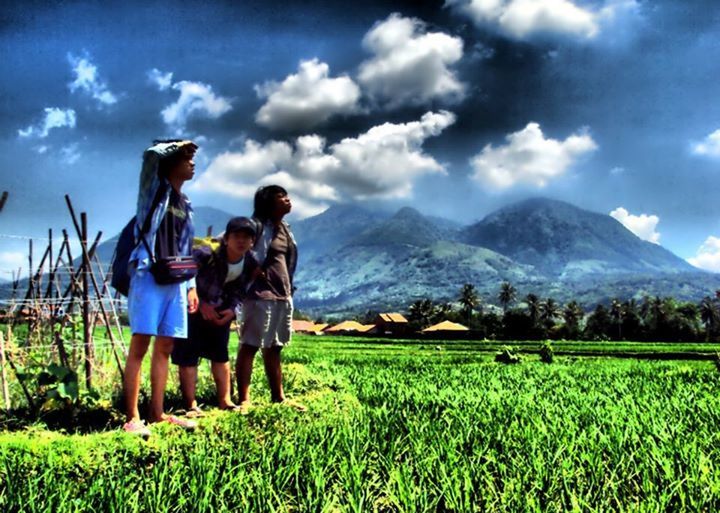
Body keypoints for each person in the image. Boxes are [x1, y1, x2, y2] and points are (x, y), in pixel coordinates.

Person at [122, 139, 200, 437]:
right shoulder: (154, 191)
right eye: (186, 158)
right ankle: (132, 417)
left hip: (176, 280)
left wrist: (191, 286)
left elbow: (186, 247)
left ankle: (157, 413)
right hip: (149, 274)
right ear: (171, 162)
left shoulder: (186, 204)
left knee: (166, 345)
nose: (192, 162)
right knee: (141, 343)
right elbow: (151, 156)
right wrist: (179, 145)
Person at [172, 217, 258, 415]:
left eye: (247, 237)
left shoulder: (250, 262)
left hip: (220, 311)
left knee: (220, 355)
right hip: (192, 310)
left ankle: (225, 400)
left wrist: (231, 310)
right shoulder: (204, 254)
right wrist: (200, 303)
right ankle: (190, 405)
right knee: (188, 357)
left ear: (252, 242)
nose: (241, 241)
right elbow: (184, 275)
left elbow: (241, 289)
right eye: (236, 236)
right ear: (226, 238)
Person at [235, 185, 305, 412]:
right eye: (281, 197)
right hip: (259, 294)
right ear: (268, 203)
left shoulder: (284, 228)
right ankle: (244, 399)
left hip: (282, 294)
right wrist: (251, 267)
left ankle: (278, 397)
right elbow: (235, 247)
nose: (287, 200)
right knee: (250, 345)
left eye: (286, 195)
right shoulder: (255, 226)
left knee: (275, 347)